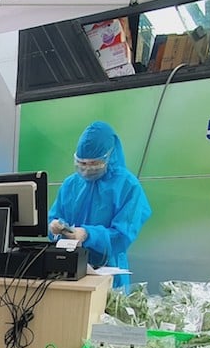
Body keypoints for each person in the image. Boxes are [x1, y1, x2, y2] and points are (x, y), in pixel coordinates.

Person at [47, 121, 151, 290]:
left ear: (110, 156)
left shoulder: (128, 186)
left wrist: (88, 235)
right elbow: (54, 218)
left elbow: (123, 235)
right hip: (68, 270)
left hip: (109, 275)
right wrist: (54, 227)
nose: (87, 169)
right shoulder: (70, 184)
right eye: (82, 164)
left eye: (94, 164)